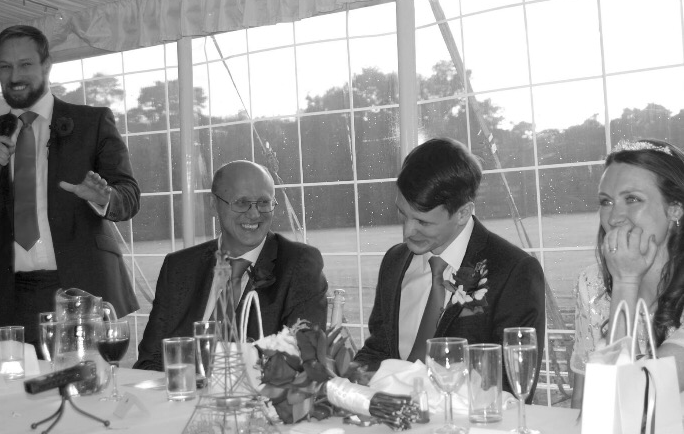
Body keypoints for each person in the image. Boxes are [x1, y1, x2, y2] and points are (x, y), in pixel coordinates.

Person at [0, 25, 140, 348]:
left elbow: (129, 196)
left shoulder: (93, 122)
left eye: (25, 64)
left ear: (46, 65)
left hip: (84, 289)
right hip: (9, 297)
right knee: (16, 381)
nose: (15, 76)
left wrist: (104, 197)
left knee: (88, 379)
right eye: (5, 66)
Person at [354, 138, 546, 402]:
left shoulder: (514, 272)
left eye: (423, 222)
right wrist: (342, 376)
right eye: (402, 213)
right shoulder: (394, 262)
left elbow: (510, 386)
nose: (407, 232)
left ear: (463, 213)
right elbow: (378, 351)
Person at [134, 160, 328, 371]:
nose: (254, 214)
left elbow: (302, 360)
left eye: (264, 202)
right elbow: (151, 359)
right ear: (213, 204)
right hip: (180, 389)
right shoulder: (179, 267)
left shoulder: (299, 265)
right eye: (241, 202)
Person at [571, 138, 684, 408]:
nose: (614, 218)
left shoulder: (619, 280)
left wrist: (625, 281)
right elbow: (584, 401)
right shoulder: (593, 284)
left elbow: (637, 396)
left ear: (675, 208)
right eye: (606, 201)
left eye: (632, 199)